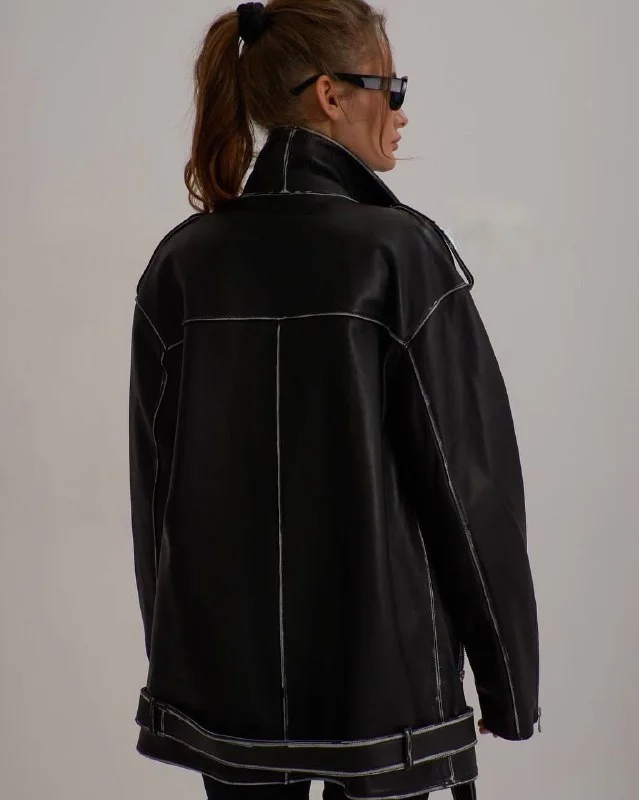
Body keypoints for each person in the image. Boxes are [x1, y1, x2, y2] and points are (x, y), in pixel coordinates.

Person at [127, 2, 541, 799]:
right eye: (392, 87)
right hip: (386, 684)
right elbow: (468, 490)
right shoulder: (400, 252)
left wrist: (182, 670)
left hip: (225, 684)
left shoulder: (182, 263)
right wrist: (507, 682)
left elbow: (157, 499)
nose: (401, 111)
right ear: (330, 93)